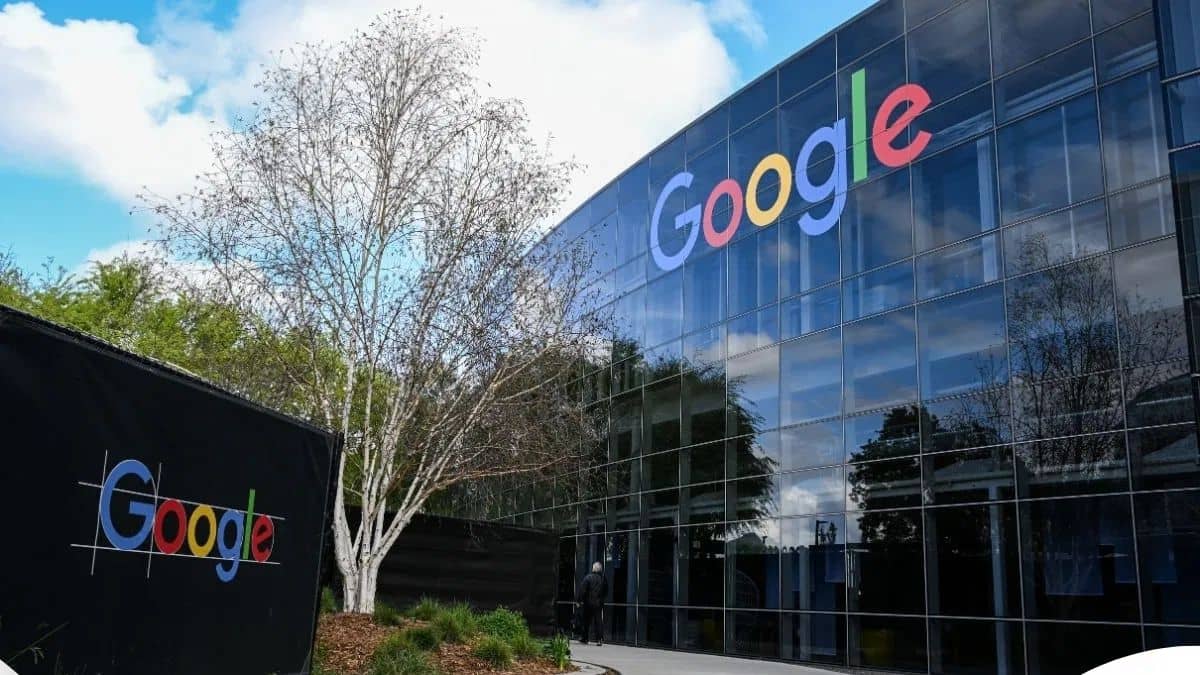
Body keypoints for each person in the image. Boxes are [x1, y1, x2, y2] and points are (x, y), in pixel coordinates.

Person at [576, 561, 607, 645]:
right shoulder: (603, 579)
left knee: (586, 620)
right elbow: (606, 591)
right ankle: (599, 639)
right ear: (600, 569)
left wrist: (579, 601)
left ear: (593, 568)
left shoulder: (588, 577)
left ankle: (585, 638)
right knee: (598, 620)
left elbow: (582, 590)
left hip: (588, 602)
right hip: (598, 603)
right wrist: (601, 599)